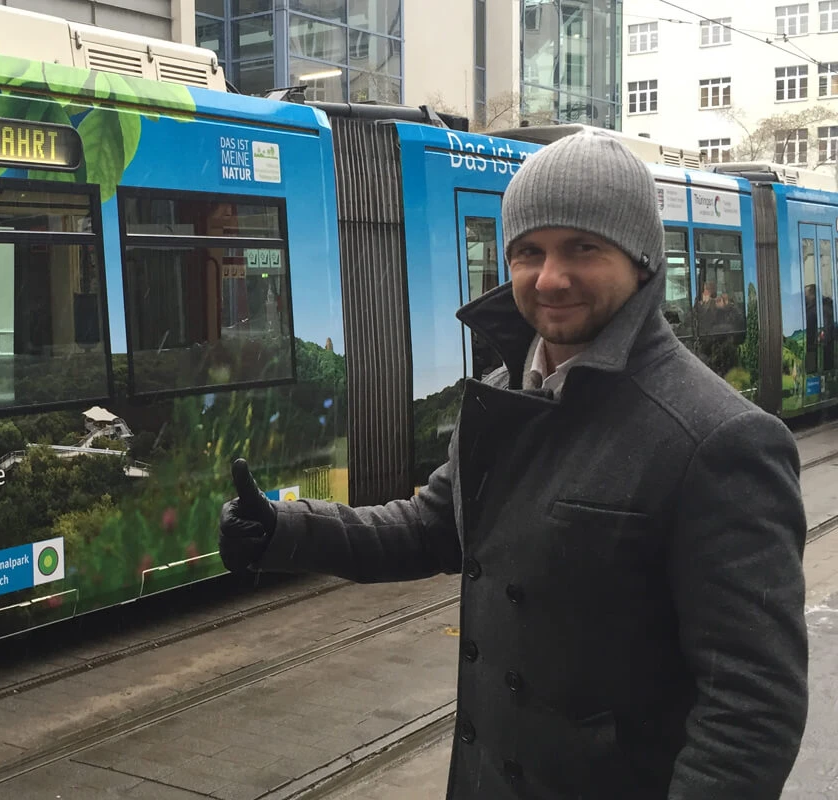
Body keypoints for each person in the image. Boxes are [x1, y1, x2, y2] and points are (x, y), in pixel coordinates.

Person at [218, 129, 809, 800]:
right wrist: (288, 529)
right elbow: (434, 524)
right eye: (528, 252)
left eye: (582, 248)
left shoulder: (718, 438)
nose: (550, 277)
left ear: (641, 259)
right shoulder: (504, 391)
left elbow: (752, 707)